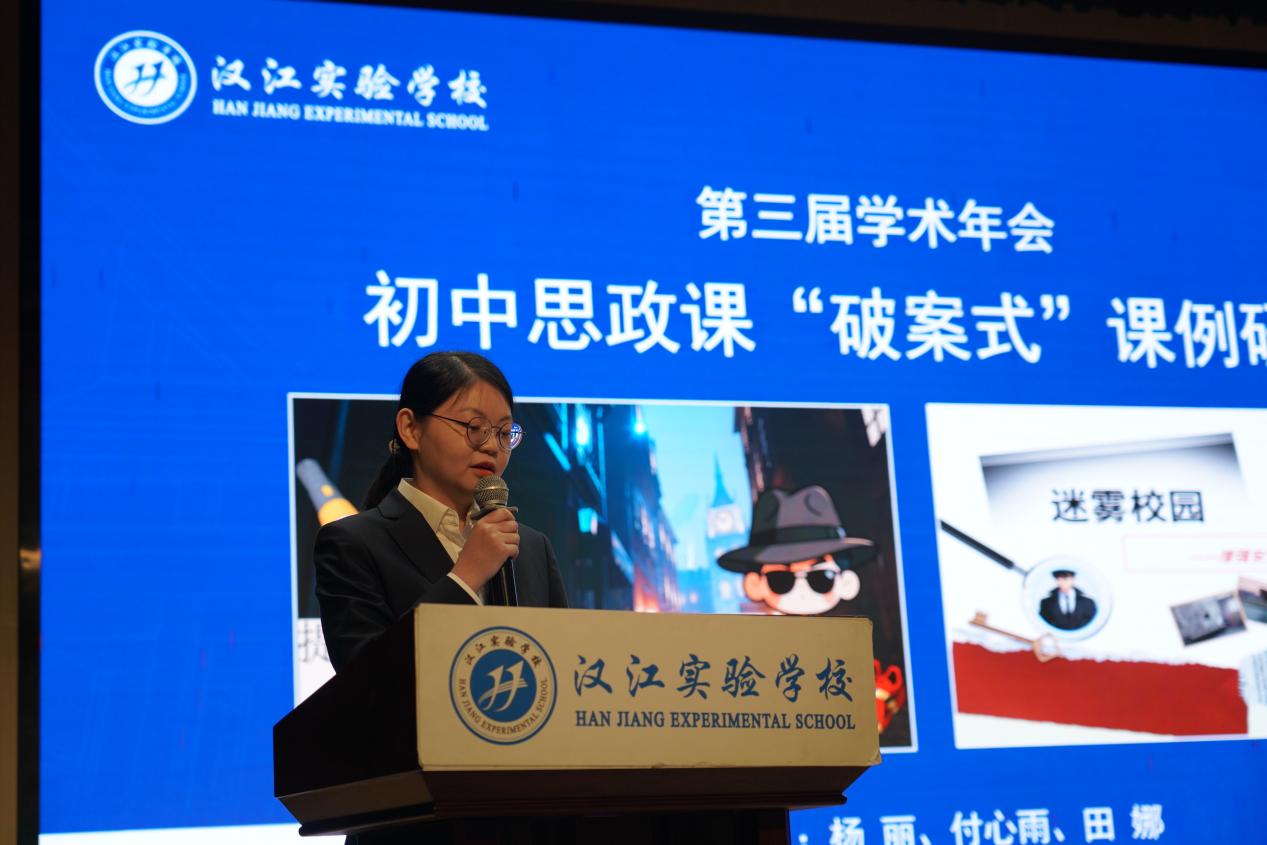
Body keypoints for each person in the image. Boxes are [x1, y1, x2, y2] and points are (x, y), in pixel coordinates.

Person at [315, 351, 568, 674]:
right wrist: (465, 578)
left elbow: (561, 667)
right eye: (474, 426)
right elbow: (365, 679)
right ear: (410, 428)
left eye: (504, 433)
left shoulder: (533, 548)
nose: (492, 446)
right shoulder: (352, 543)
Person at [717, 485, 875, 616]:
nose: (801, 590)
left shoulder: (853, 634)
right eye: (780, 581)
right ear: (755, 585)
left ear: (846, 583)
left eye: (821, 579)